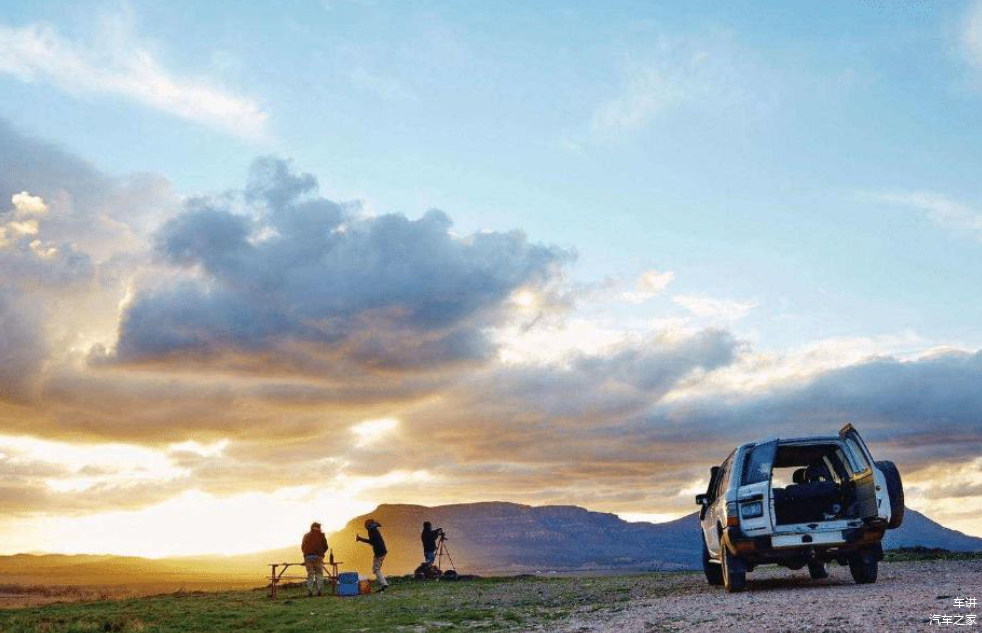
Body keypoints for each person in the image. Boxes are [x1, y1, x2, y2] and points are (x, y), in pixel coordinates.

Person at [356, 518, 389, 592]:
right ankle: (383, 584)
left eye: (366, 525)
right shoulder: (374, 529)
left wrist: (360, 539)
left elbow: (372, 542)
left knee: (376, 569)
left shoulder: (372, 531)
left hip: (379, 552)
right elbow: (373, 541)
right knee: (376, 569)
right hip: (382, 551)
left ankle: (384, 584)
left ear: (368, 525)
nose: (365, 526)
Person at [301, 521, 329, 597]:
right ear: (318, 528)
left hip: (308, 557)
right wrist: (320, 553)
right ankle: (320, 591)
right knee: (319, 574)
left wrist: (306, 554)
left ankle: (309, 591)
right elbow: (326, 547)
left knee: (310, 574)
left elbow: (302, 547)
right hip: (318, 557)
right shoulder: (321, 535)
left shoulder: (306, 535)